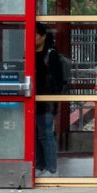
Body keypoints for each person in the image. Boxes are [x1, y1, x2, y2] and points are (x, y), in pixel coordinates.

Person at [32, 27, 68, 175]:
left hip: (46, 102)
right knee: (35, 134)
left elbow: (58, 80)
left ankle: (51, 168)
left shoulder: (51, 55)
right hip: (32, 100)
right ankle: (40, 165)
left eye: (34, 35)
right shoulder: (30, 53)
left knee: (46, 134)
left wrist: (53, 97)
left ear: (43, 36)